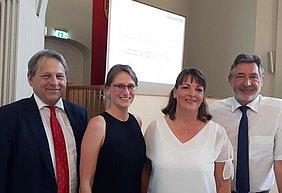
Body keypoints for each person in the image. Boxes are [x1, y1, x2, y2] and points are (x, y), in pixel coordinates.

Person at [0, 49, 88, 193]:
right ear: (30, 79)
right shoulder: (8, 116)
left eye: (60, 76)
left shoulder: (80, 115)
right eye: (46, 76)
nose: (54, 82)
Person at [142, 67, 233, 193]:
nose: (192, 93)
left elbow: (222, 185)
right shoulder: (155, 129)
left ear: (203, 96)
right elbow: (146, 174)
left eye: (198, 89)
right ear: (175, 92)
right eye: (186, 87)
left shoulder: (217, 134)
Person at [209, 53, 282, 193]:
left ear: (262, 80)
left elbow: (280, 163)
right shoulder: (214, 112)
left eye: (253, 77)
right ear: (230, 80)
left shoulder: (278, 111)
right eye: (240, 76)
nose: (247, 83)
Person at [79, 64, 146, 193]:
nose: (126, 92)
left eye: (131, 86)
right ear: (108, 88)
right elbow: (86, 182)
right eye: (120, 86)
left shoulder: (137, 122)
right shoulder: (98, 124)